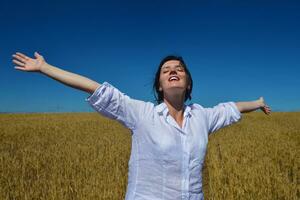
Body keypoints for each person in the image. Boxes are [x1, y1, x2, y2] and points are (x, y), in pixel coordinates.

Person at [12, 52, 271, 200]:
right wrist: (45, 67)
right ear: (159, 84)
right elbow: (93, 87)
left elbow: (232, 108)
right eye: (166, 69)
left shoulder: (202, 116)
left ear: (188, 83)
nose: (173, 71)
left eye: (179, 69)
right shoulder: (142, 114)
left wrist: (258, 102)